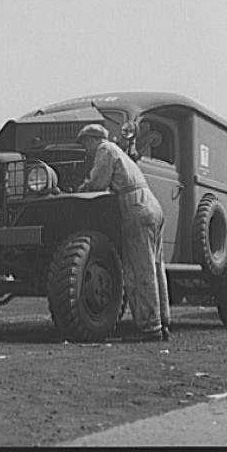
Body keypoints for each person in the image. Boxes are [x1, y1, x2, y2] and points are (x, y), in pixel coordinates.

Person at [76, 123, 171, 342]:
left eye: (84, 145)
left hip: (135, 206)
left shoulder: (105, 151)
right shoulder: (119, 152)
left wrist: (76, 190)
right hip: (152, 205)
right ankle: (163, 322)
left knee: (139, 269)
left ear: (91, 140)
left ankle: (149, 328)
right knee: (156, 268)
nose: (85, 150)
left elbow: (97, 184)